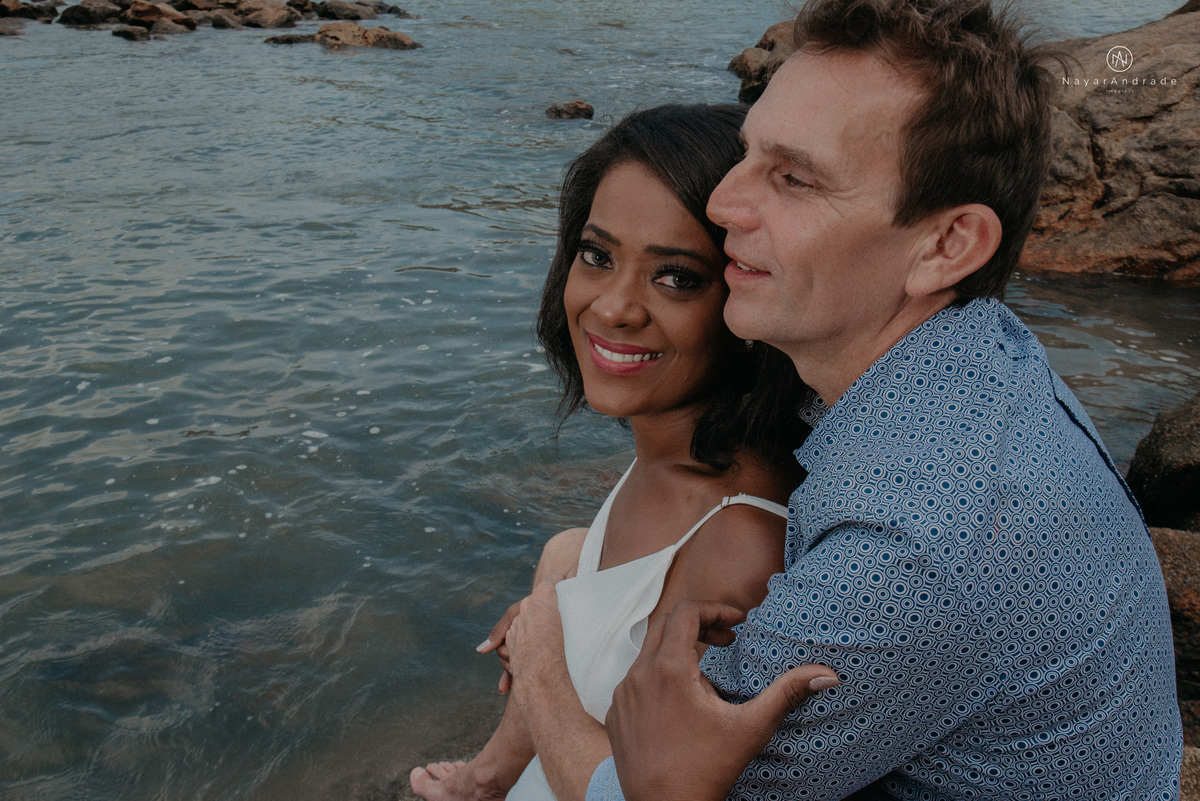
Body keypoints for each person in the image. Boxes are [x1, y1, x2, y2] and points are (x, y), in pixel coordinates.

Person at [502, 1, 1184, 800]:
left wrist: (544, 642)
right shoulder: (980, 355)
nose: (723, 205)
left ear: (946, 245)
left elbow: (646, 792)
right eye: (749, 153)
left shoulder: (912, 546)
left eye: (793, 178)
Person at [409, 103, 815, 801]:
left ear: (748, 294)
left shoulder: (740, 542)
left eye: (677, 276)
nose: (614, 306)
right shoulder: (670, 450)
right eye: (597, 256)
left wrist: (542, 661)